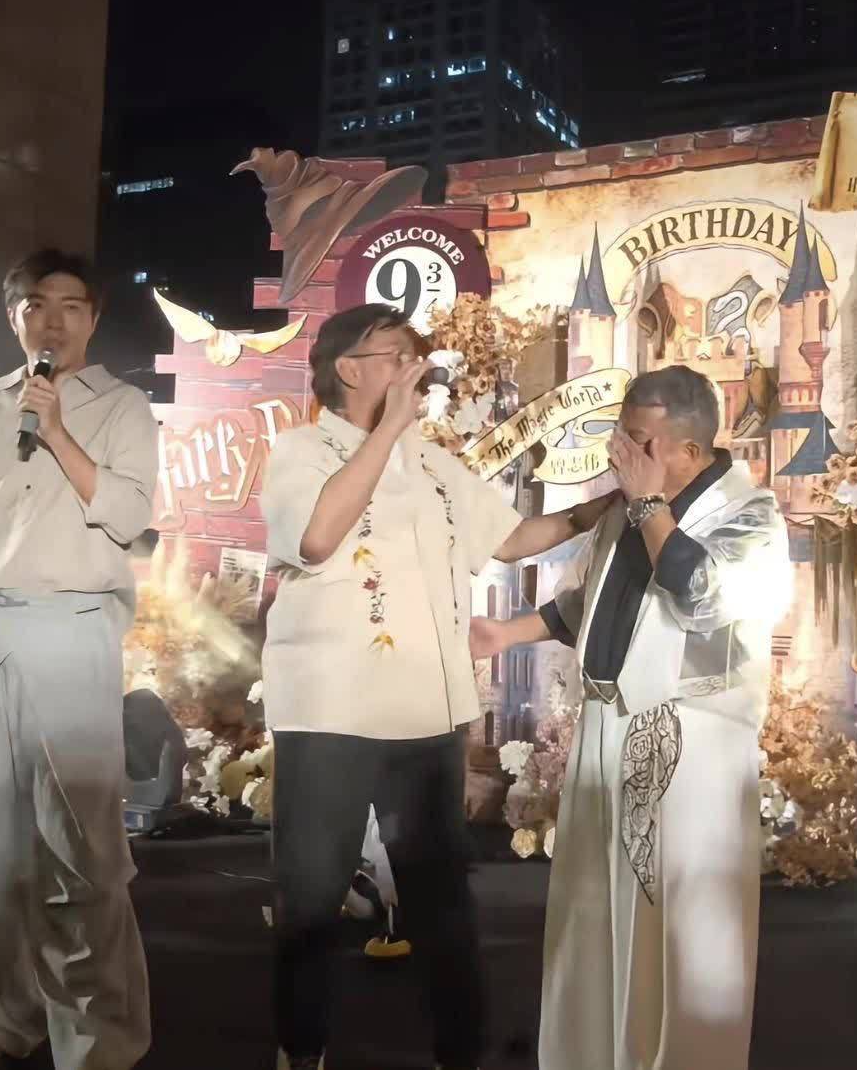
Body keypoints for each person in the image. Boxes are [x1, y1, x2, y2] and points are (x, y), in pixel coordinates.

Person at [259, 303, 615, 1070]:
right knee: (312, 899)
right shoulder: (301, 450)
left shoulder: (432, 463)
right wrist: (386, 429)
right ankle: (302, 1048)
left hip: (426, 714)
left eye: (415, 357)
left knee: (443, 901)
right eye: (396, 356)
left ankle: (461, 1052)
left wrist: (600, 508)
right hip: (330, 711)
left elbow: (509, 538)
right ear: (348, 369)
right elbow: (316, 538)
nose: (413, 371)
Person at [471, 365, 791, 1070]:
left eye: (640, 441)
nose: (623, 453)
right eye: (622, 436)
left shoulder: (751, 516)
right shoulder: (631, 507)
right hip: (607, 729)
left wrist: (646, 505)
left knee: (678, 926)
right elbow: (588, 604)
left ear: (689, 449)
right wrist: (503, 634)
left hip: (691, 744)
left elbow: (701, 593)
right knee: (596, 913)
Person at [0, 251, 158, 1069]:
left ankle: (99, 1037)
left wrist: (58, 429)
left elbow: (129, 515)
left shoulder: (123, 405)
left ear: (94, 319)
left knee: (83, 853)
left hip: (73, 626)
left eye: (72, 306)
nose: (53, 320)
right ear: (15, 317)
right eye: (36, 304)